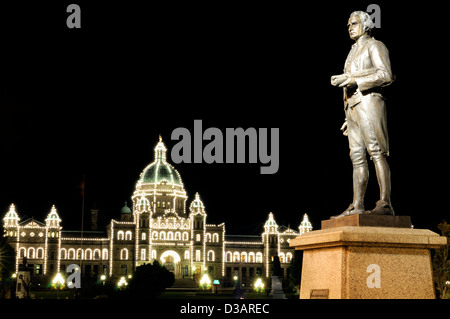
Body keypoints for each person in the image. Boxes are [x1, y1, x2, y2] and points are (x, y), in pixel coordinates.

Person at [330, 11, 394, 218]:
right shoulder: (352, 51)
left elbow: (386, 75)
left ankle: (385, 202)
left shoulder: (375, 46)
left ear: (366, 25)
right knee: (356, 157)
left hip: (369, 103)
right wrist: (348, 116)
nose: (349, 27)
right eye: (348, 24)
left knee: (376, 152)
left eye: (354, 23)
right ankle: (357, 204)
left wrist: (354, 80)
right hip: (353, 108)